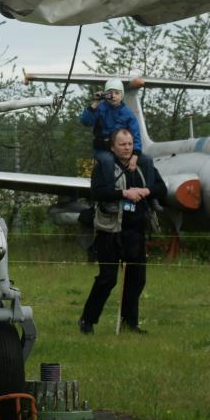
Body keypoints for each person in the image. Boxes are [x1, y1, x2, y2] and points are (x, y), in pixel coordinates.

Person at [78, 128, 166, 334]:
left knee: (136, 279)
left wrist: (145, 191)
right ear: (112, 147)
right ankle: (87, 321)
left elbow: (162, 188)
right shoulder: (104, 167)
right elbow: (97, 192)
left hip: (136, 230)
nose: (127, 148)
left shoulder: (144, 165)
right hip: (109, 231)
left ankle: (130, 324)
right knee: (107, 279)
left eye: (129, 144)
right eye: (122, 144)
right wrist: (124, 193)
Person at [79, 78, 142, 173]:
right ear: (105, 95)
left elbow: (136, 135)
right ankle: (109, 188)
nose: (113, 96)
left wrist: (135, 155)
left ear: (122, 95)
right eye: (110, 93)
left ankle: (148, 188)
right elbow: (86, 121)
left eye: (117, 93)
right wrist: (95, 102)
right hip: (103, 150)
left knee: (147, 160)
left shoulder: (128, 113)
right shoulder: (99, 109)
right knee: (108, 160)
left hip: (122, 151)